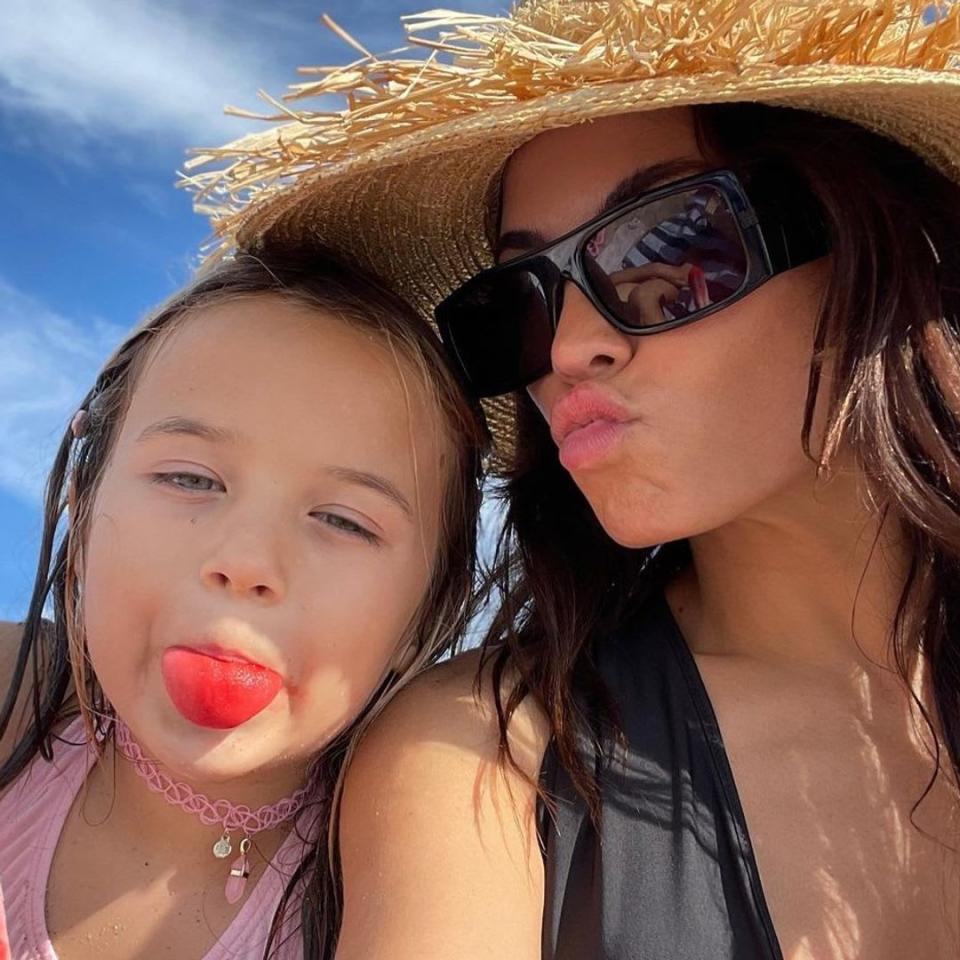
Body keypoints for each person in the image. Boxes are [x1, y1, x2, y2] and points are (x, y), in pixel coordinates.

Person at [185, 2, 960, 957]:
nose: (567, 347)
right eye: (514, 306)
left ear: (872, 252)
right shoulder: (488, 756)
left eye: (666, 251)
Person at [0, 250, 486, 959]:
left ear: (426, 612)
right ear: (84, 502)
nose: (247, 562)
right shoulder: (17, 701)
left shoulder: (391, 892)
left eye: (346, 521)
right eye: (190, 479)